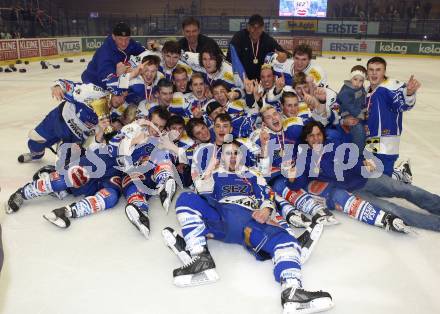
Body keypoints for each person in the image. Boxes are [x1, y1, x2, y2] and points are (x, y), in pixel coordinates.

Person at [168, 140, 334, 314]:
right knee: (186, 198)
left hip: (247, 220)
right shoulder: (215, 174)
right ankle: (200, 257)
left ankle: (292, 291)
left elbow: (267, 195)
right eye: (227, 153)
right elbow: (202, 191)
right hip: (220, 217)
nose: (232, 157)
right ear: (221, 157)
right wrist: (210, 169)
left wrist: (266, 209)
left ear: (242, 156)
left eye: (236, 153)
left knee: (285, 239)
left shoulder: (253, 175)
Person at [17, 79, 127, 163]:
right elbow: (67, 85)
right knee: (34, 141)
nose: (121, 100)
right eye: (119, 95)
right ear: (111, 92)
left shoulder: (119, 111)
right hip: (58, 120)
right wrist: (58, 86)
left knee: (67, 161)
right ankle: (36, 154)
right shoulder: (92, 92)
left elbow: (109, 132)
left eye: (124, 97)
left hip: (77, 135)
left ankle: (63, 148)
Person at [365, 56, 421, 176]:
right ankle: (398, 172)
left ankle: (401, 173)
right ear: (367, 72)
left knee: (383, 183)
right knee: (370, 178)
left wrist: (409, 94)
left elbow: (403, 104)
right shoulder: (365, 91)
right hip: (371, 140)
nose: (374, 73)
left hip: (387, 141)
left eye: (378, 70)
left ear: (384, 71)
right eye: (371, 70)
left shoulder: (391, 87)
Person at [81, 22, 145, 90]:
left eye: (126, 39)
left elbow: (145, 53)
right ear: (114, 37)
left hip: (116, 81)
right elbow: (106, 81)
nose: (124, 43)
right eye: (120, 39)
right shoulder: (105, 52)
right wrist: (117, 74)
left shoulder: (131, 44)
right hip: (95, 84)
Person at [226, 14, 283, 80]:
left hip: (262, 82)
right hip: (242, 80)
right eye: (253, 27)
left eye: (259, 27)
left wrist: (283, 55)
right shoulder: (239, 37)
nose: (256, 30)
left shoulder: (267, 40)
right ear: (248, 27)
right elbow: (230, 58)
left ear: (262, 28)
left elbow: (283, 53)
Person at [336, 65, 368, 152]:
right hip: (347, 116)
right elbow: (349, 105)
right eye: (355, 79)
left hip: (358, 116)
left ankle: (369, 154)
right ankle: (359, 154)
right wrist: (359, 114)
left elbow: (363, 105)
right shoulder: (346, 91)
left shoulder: (362, 90)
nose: (358, 83)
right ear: (351, 78)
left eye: (361, 80)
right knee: (359, 130)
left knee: (368, 130)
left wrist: (365, 117)